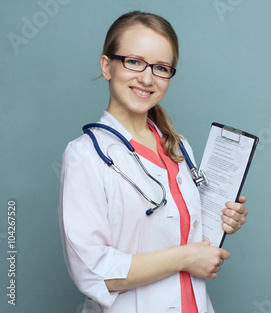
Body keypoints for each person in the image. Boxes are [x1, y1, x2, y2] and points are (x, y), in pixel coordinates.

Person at [58, 11, 248, 313]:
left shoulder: (179, 147)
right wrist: (184, 258)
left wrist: (222, 220)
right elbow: (91, 269)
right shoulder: (86, 154)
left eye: (161, 68)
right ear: (107, 66)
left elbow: (184, 235)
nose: (147, 78)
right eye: (133, 61)